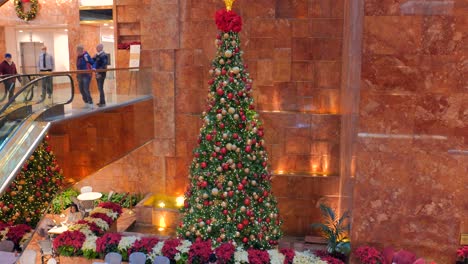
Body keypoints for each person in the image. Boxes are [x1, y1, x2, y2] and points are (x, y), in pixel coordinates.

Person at [76, 44, 94, 108]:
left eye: (77, 50)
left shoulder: (86, 55)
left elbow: (92, 62)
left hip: (86, 75)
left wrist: (88, 60)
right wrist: (77, 76)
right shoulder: (78, 57)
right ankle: (86, 101)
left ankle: (90, 101)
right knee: (81, 89)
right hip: (80, 75)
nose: (77, 52)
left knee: (86, 89)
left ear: (80, 50)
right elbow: (78, 67)